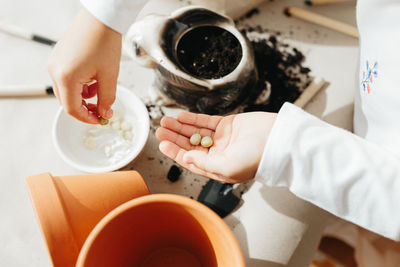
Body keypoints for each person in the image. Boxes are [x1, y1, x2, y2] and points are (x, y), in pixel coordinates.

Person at [48, 0, 400, 265]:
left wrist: (286, 147)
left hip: (385, 199)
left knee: (379, 246)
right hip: (373, 126)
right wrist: (103, 18)